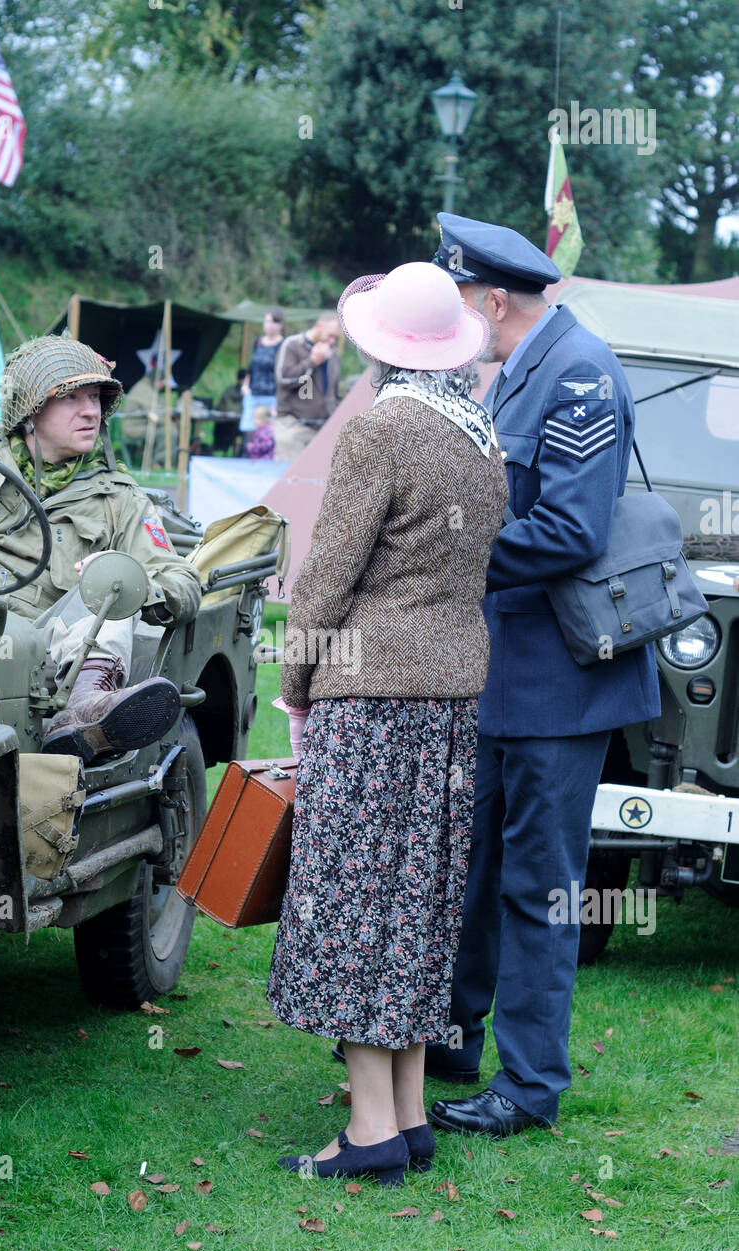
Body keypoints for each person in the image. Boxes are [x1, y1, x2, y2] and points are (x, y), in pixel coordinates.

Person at [267, 262, 508, 1186]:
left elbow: (325, 578)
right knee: (416, 899)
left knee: (356, 902)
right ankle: (406, 1115)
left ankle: (370, 1128)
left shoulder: (380, 429)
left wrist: (294, 682)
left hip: (371, 695)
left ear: (379, 345)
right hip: (451, 695)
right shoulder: (479, 435)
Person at [424, 214, 660, 1137]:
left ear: (490, 300)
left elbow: (569, 532)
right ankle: (449, 1036)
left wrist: (443, 561)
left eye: (456, 303)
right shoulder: (524, 366)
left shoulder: (578, 373)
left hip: (557, 686)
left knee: (539, 885)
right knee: (474, 867)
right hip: (507, 674)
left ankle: (527, 1088)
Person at [0, 335, 202, 763]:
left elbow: (183, 581)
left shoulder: (120, 500)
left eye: (96, 398)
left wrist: (131, 581)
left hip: (40, 652)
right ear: (29, 409)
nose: (91, 410)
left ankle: (86, 711)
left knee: (113, 581)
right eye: (72, 398)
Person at [273, 313, 341, 460]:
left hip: (322, 429)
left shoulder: (332, 354)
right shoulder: (292, 345)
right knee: (289, 480)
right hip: (292, 426)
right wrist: (313, 362)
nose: (331, 342)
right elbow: (283, 379)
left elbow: (332, 393)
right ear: (318, 326)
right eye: (330, 336)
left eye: (336, 338)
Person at [119, 365, 179, 468]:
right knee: (169, 431)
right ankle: (159, 463)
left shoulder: (147, 387)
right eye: (162, 382)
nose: (163, 386)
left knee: (169, 429)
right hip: (134, 428)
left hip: (142, 425)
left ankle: (162, 461)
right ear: (157, 381)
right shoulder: (144, 390)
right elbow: (155, 414)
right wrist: (168, 420)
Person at [239, 310, 285, 436]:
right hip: (253, 395)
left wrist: (280, 399)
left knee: (268, 436)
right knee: (249, 435)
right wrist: (245, 387)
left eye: (273, 322)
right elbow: (251, 367)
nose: (269, 325)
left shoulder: (284, 344)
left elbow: (285, 373)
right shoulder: (258, 341)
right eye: (267, 321)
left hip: (271, 397)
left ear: (281, 325)